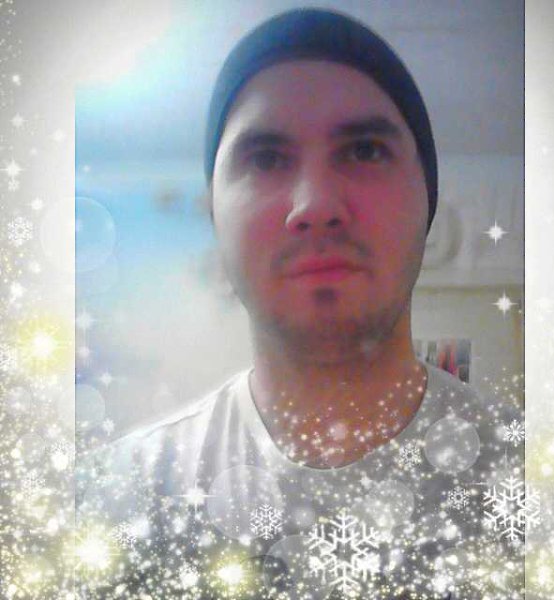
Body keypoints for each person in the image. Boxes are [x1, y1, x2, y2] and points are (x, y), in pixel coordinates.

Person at [80, 9, 523, 600]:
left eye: (364, 150)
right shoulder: (108, 507)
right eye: (265, 159)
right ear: (214, 213)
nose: (314, 205)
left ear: (427, 198)